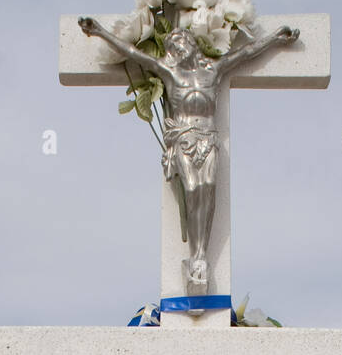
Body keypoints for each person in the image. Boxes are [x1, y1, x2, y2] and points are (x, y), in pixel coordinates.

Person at [78, 16, 299, 299]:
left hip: (208, 138)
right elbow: (134, 54)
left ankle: (200, 255)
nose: (176, 49)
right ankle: (195, 257)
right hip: (183, 138)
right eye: (171, 45)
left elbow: (245, 53)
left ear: (193, 44)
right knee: (193, 189)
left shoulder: (213, 70)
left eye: (180, 42)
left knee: (208, 191)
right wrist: (100, 32)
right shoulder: (170, 73)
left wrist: (274, 38)